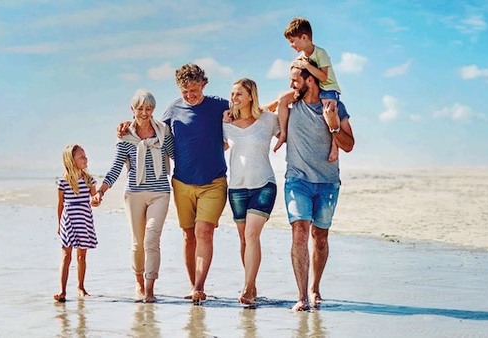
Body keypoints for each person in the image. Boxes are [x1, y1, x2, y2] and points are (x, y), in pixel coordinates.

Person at [118, 63, 229, 303]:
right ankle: (192, 285)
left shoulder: (219, 105)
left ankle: (200, 286)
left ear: (204, 84)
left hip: (214, 181)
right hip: (182, 182)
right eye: (185, 91)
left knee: (204, 231)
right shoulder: (173, 110)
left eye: (194, 90)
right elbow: (149, 127)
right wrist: (126, 127)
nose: (189, 95)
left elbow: (248, 111)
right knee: (189, 235)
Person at [284, 59, 355, 311]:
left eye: (295, 79)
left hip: (327, 183)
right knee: (300, 231)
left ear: (310, 80)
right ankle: (301, 296)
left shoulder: (335, 106)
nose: (291, 84)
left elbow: (349, 145)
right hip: (297, 180)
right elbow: (258, 110)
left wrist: (333, 124)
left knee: (320, 236)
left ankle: (315, 288)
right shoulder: (290, 104)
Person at [93, 89, 174, 303]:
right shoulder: (126, 136)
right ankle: (138, 284)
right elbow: (116, 167)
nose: (145, 113)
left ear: (153, 110)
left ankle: (149, 288)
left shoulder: (164, 131)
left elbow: (179, 156)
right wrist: (101, 191)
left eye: (149, 109)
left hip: (160, 193)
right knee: (138, 242)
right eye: (140, 109)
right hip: (134, 194)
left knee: (151, 239)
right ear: (132, 110)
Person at [222, 78, 279, 305]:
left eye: (239, 94)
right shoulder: (225, 124)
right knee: (244, 240)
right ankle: (252, 287)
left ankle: (246, 288)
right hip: (236, 188)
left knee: (252, 235)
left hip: (264, 184)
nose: (234, 98)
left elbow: (285, 107)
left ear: (250, 96)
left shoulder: (267, 120)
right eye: (233, 94)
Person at [270, 17, 344, 163]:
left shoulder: (320, 53)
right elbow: (299, 71)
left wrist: (307, 66)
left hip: (328, 90)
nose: (291, 45)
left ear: (304, 37)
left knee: (329, 114)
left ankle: (335, 147)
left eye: (292, 41)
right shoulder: (302, 57)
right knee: (283, 98)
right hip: (313, 88)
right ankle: (284, 133)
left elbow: (323, 77)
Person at [54, 144, 99, 302]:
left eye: (85, 156)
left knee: (81, 256)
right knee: (66, 256)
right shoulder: (63, 181)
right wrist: (59, 224)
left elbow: (95, 199)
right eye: (81, 157)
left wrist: (96, 200)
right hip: (69, 220)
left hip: (84, 219)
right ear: (71, 161)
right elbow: (60, 204)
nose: (85, 159)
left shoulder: (89, 179)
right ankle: (62, 290)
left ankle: (81, 287)